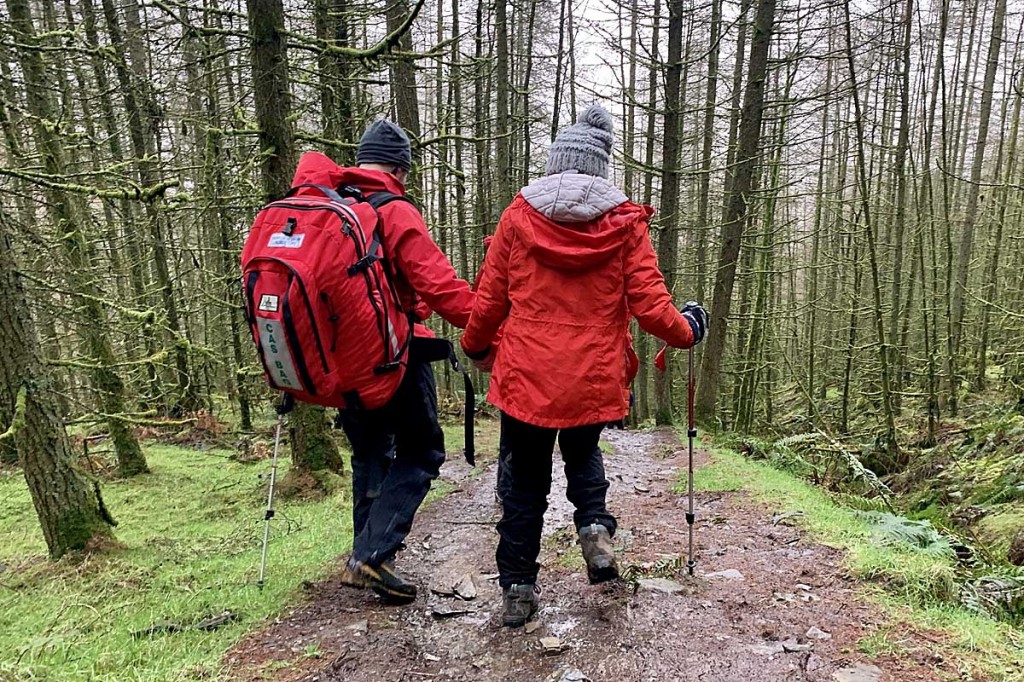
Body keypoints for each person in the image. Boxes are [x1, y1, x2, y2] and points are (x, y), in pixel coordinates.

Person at [460, 104, 708, 627]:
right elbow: (650, 303)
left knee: (523, 484)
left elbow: (489, 300)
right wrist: (687, 330)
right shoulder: (625, 225)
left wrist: (477, 347)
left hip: (526, 375)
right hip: (592, 376)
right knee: (584, 452)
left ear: (555, 163)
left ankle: (518, 591)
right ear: (601, 169)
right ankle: (594, 527)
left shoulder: (518, 215)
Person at [291, 120, 475, 604]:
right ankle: (371, 555)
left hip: (341, 361)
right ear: (400, 170)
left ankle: (366, 556)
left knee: (371, 454)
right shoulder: (393, 210)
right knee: (423, 451)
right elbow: (438, 285)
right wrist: (490, 321)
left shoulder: (331, 205)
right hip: (396, 355)